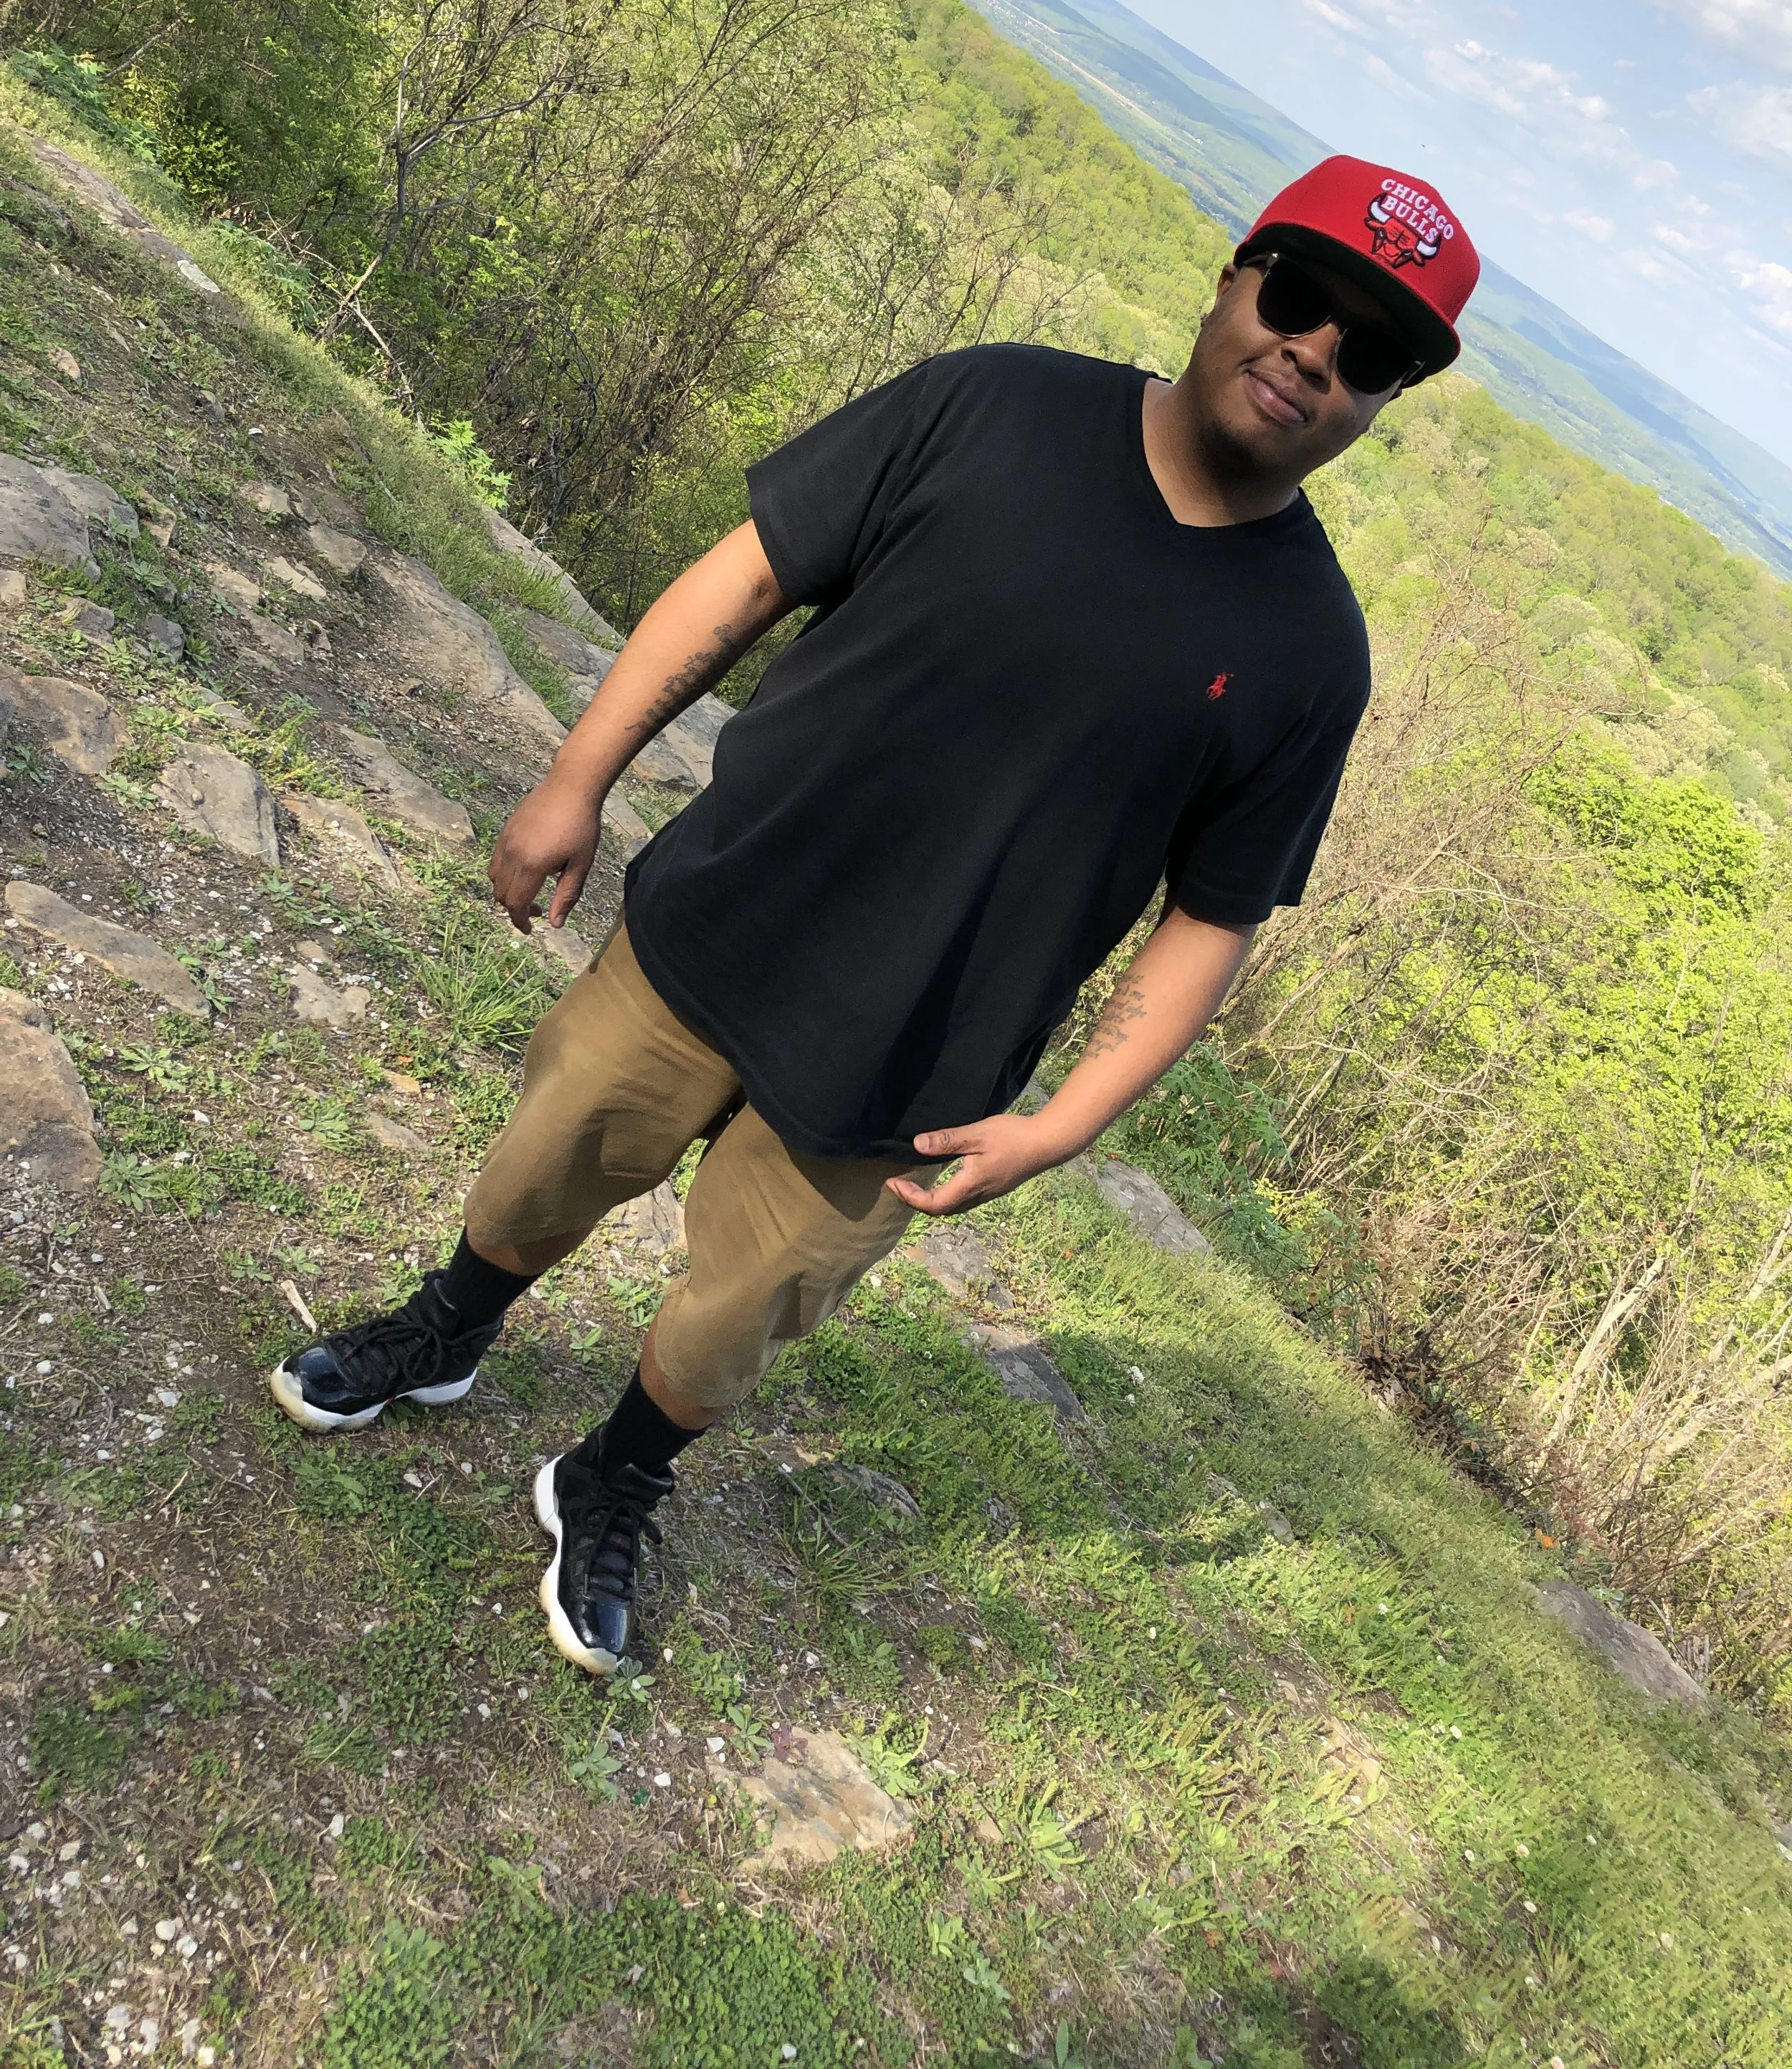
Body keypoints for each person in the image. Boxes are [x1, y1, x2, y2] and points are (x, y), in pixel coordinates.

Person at [270, 154, 1480, 1673]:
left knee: (738, 1319)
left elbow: (1210, 922)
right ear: (1233, 277)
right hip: (722, 919)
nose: (1315, 349)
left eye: (1371, 349)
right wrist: (578, 773)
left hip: (917, 1061)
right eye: (1300, 298)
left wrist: (1064, 1122)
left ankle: (613, 1476)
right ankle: (447, 1325)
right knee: (544, 1155)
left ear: (1383, 398)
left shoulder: (1310, 654)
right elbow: (750, 575)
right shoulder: (992, 402)